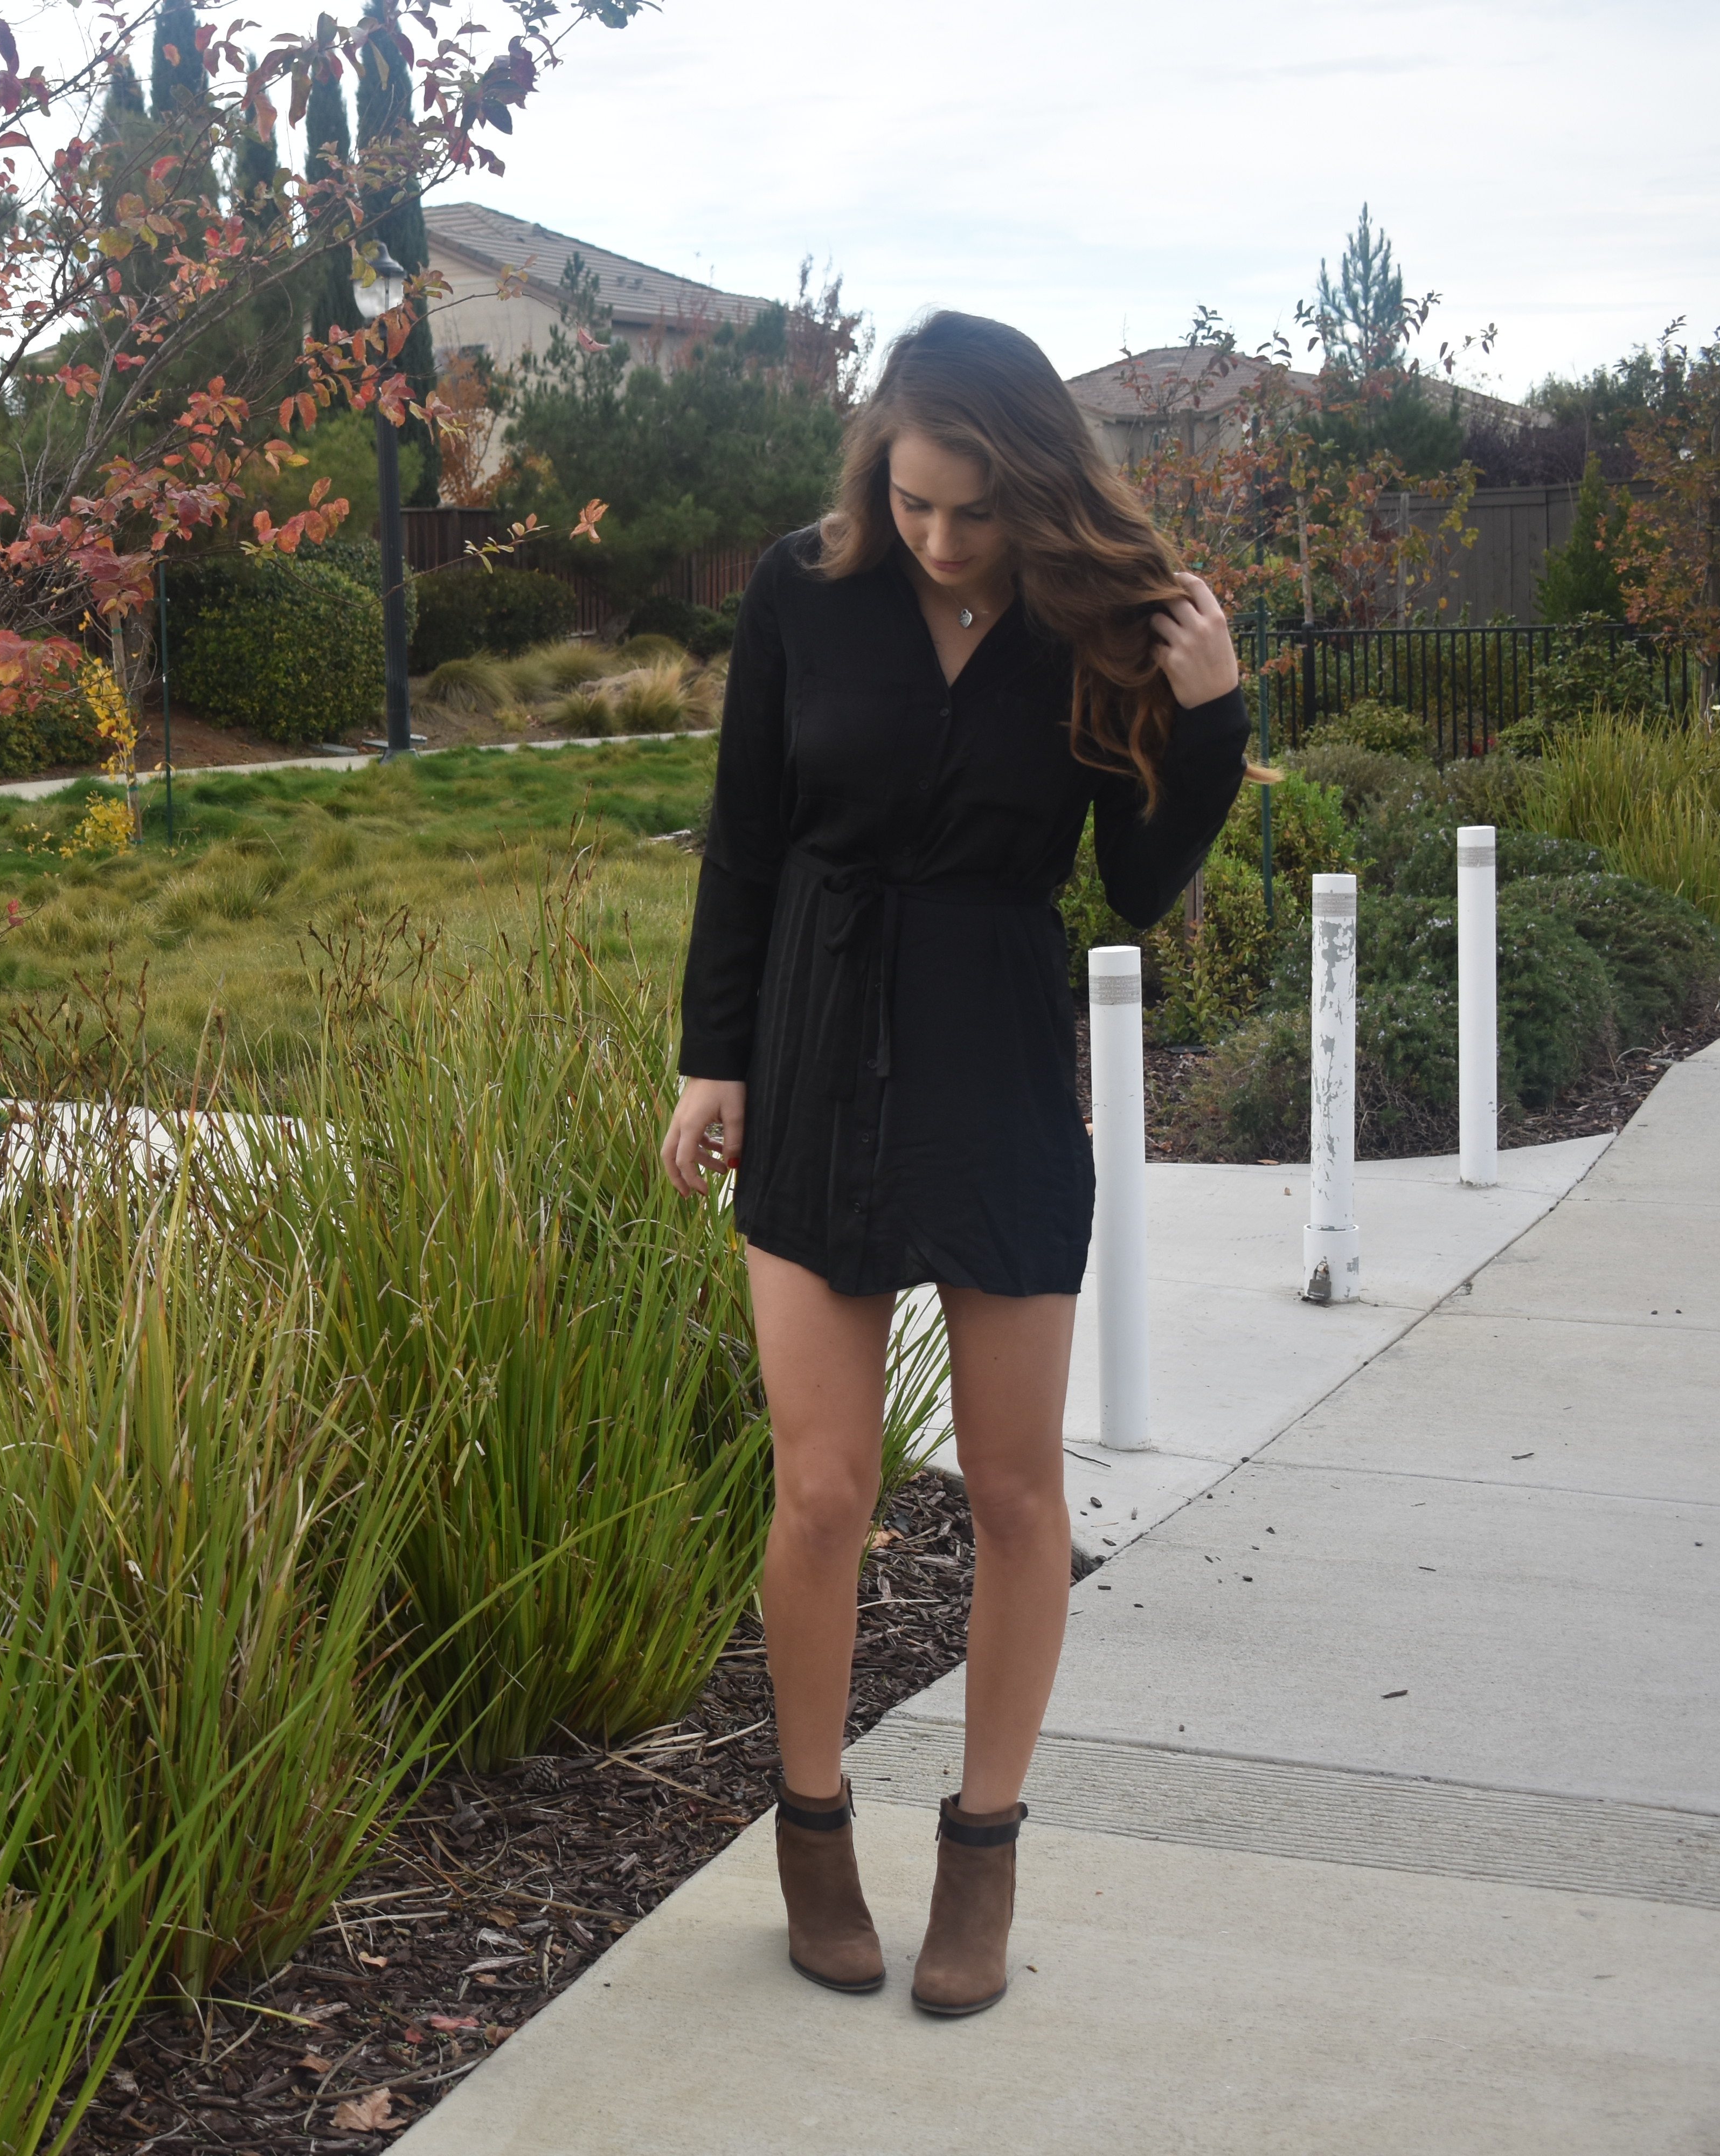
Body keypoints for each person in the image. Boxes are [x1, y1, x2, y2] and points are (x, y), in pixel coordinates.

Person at [658, 311, 1251, 2017]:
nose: (937, 537)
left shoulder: (1095, 622)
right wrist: (716, 1060)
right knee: (826, 1486)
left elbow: (1136, 884)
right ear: (880, 470)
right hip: (818, 1033)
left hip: (995, 1053)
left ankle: (982, 1857)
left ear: (1036, 493)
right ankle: (813, 1831)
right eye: (915, 501)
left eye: (974, 511)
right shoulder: (803, 588)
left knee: (1012, 1494)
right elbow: (747, 834)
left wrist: (1204, 720)